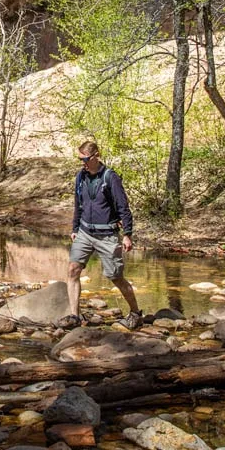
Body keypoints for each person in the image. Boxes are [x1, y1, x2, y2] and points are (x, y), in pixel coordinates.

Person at [57, 140, 143, 330]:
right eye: (80, 159)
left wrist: (127, 234)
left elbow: (123, 208)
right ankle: (74, 316)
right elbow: (78, 205)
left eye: (85, 159)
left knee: (116, 277)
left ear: (96, 156)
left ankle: (136, 313)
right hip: (85, 232)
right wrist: (75, 228)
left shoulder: (110, 178)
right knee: (73, 270)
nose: (83, 163)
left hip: (107, 235)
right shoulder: (81, 177)